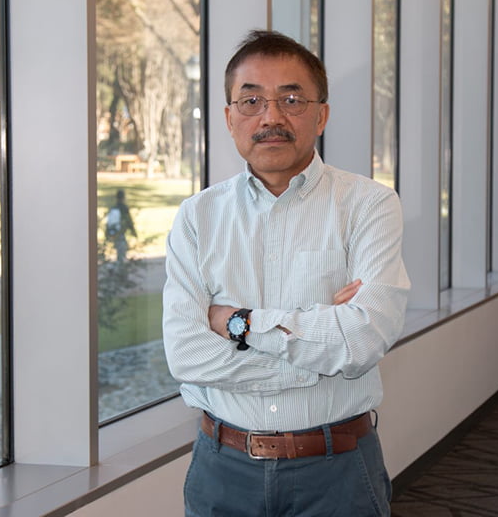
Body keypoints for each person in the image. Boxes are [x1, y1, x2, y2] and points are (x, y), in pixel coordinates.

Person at [162, 30, 410, 517]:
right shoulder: (198, 217)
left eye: (291, 98)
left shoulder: (369, 205)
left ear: (321, 114)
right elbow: (186, 355)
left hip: (337, 473)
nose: (271, 116)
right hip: (222, 470)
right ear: (230, 118)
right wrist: (320, 342)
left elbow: (362, 341)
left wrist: (237, 323)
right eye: (251, 100)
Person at [105, 188, 136, 262]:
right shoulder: (124, 208)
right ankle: (120, 269)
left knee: (116, 252)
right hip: (120, 234)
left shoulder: (113, 208)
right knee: (121, 253)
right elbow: (129, 221)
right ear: (123, 197)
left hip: (113, 233)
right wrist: (134, 232)